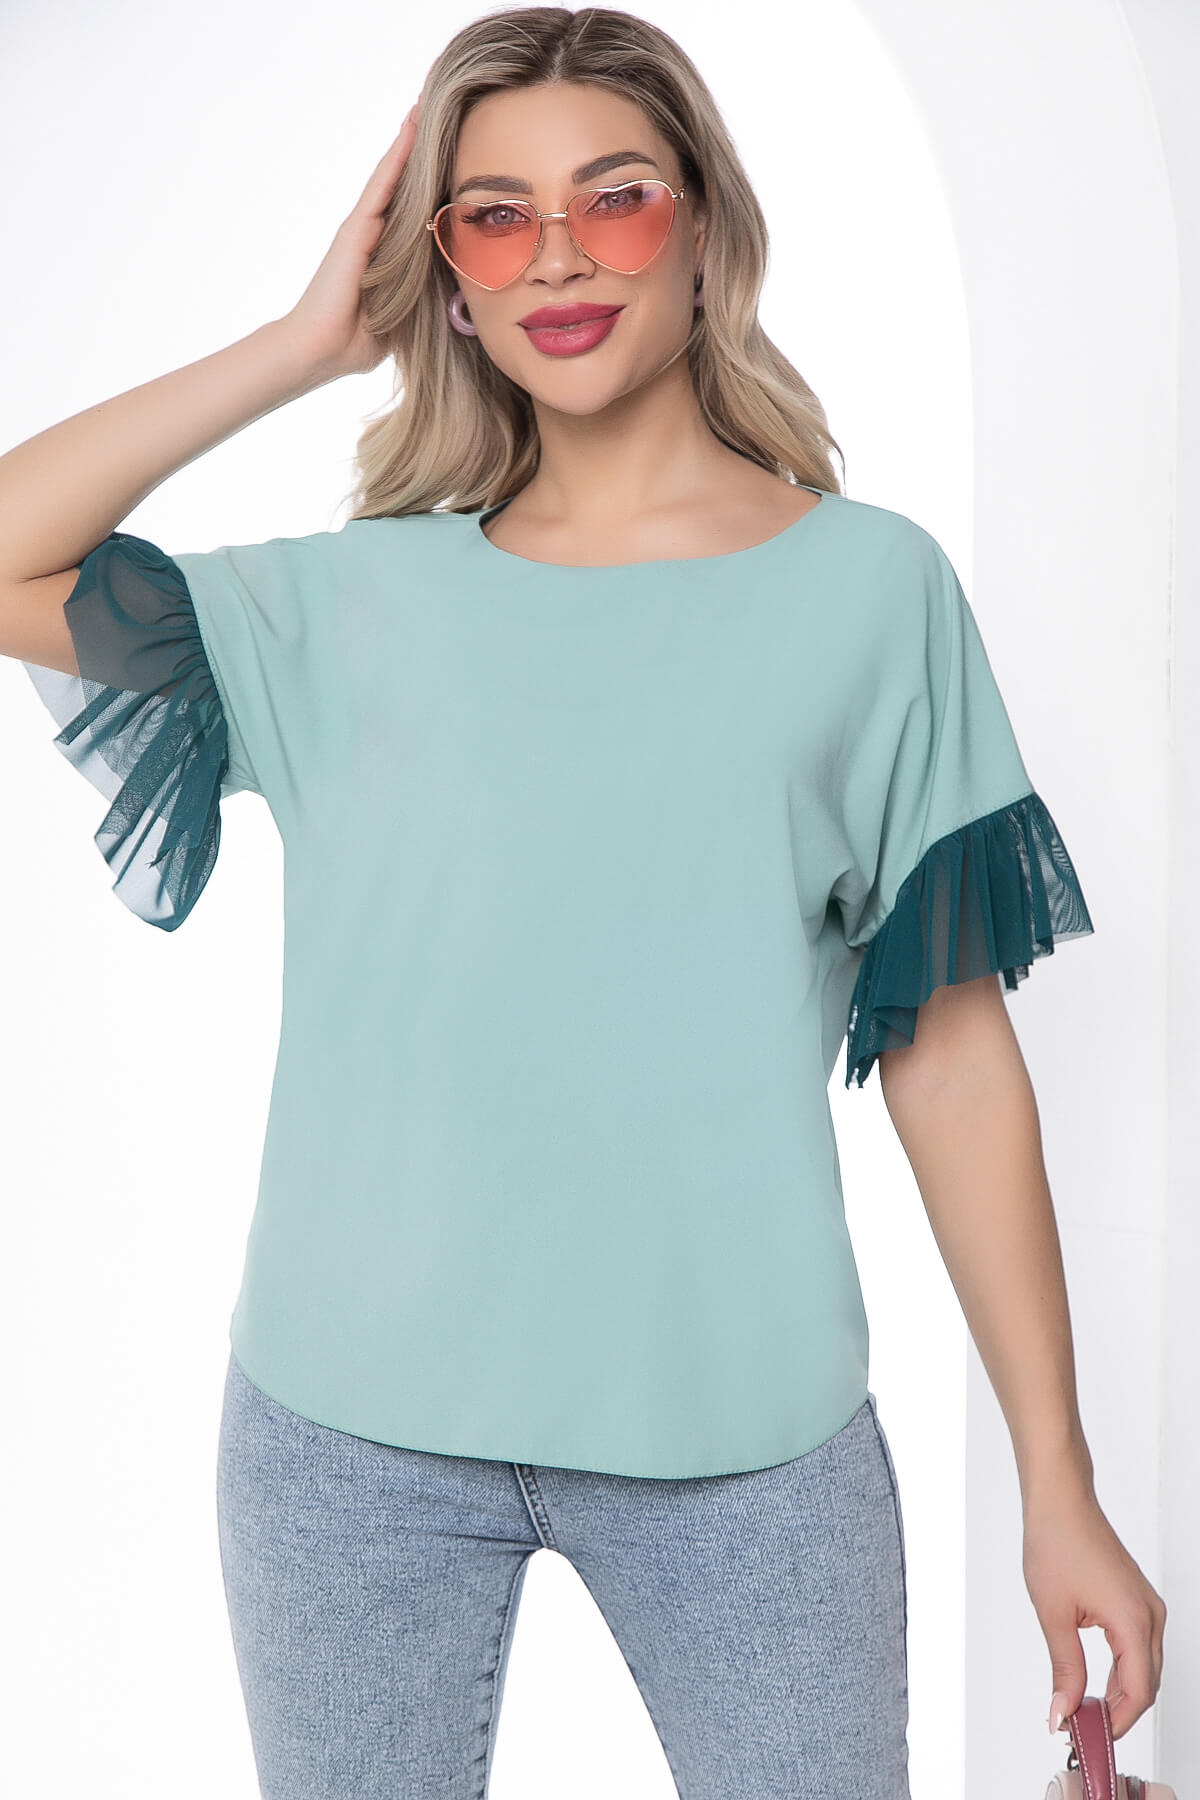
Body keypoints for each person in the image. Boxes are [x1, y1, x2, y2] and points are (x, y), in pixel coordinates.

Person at [0, 6, 1167, 1797]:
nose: (556, 255)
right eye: (494, 217)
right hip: (346, 1441)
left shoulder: (871, 593)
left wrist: (1058, 1484)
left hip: (748, 1442)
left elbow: (948, 1053)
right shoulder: (349, 609)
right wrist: (309, 343)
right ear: (444, 277)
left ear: (704, 229)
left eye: (613, 198)